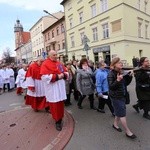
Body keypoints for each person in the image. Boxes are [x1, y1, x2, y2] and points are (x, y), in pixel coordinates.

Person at [107, 57, 136, 139]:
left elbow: (126, 83)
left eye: (121, 62)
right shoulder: (111, 74)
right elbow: (111, 87)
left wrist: (130, 76)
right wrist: (117, 80)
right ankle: (128, 131)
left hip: (122, 95)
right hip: (116, 97)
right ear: (114, 64)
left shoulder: (121, 72)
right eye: (119, 62)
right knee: (122, 114)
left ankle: (115, 125)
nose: (121, 63)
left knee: (119, 112)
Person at [40, 50, 68, 131]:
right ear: (49, 56)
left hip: (60, 87)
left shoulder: (59, 63)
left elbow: (66, 71)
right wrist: (57, 76)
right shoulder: (45, 64)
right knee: (55, 105)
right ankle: (57, 121)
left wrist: (64, 74)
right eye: (54, 55)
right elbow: (44, 77)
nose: (56, 56)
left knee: (60, 103)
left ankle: (60, 117)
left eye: (56, 54)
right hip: (53, 88)